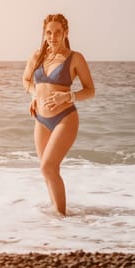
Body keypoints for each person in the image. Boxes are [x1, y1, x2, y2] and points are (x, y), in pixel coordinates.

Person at [22, 13, 95, 216]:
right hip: (41, 120)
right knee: (48, 171)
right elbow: (26, 80)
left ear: (65, 33)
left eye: (57, 32)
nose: (52, 37)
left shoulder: (75, 58)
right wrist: (35, 94)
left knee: (48, 167)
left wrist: (68, 97)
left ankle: (62, 219)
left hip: (65, 118)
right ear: (44, 34)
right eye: (48, 32)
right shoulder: (37, 56)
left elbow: (90, 90)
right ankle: (57, 216)